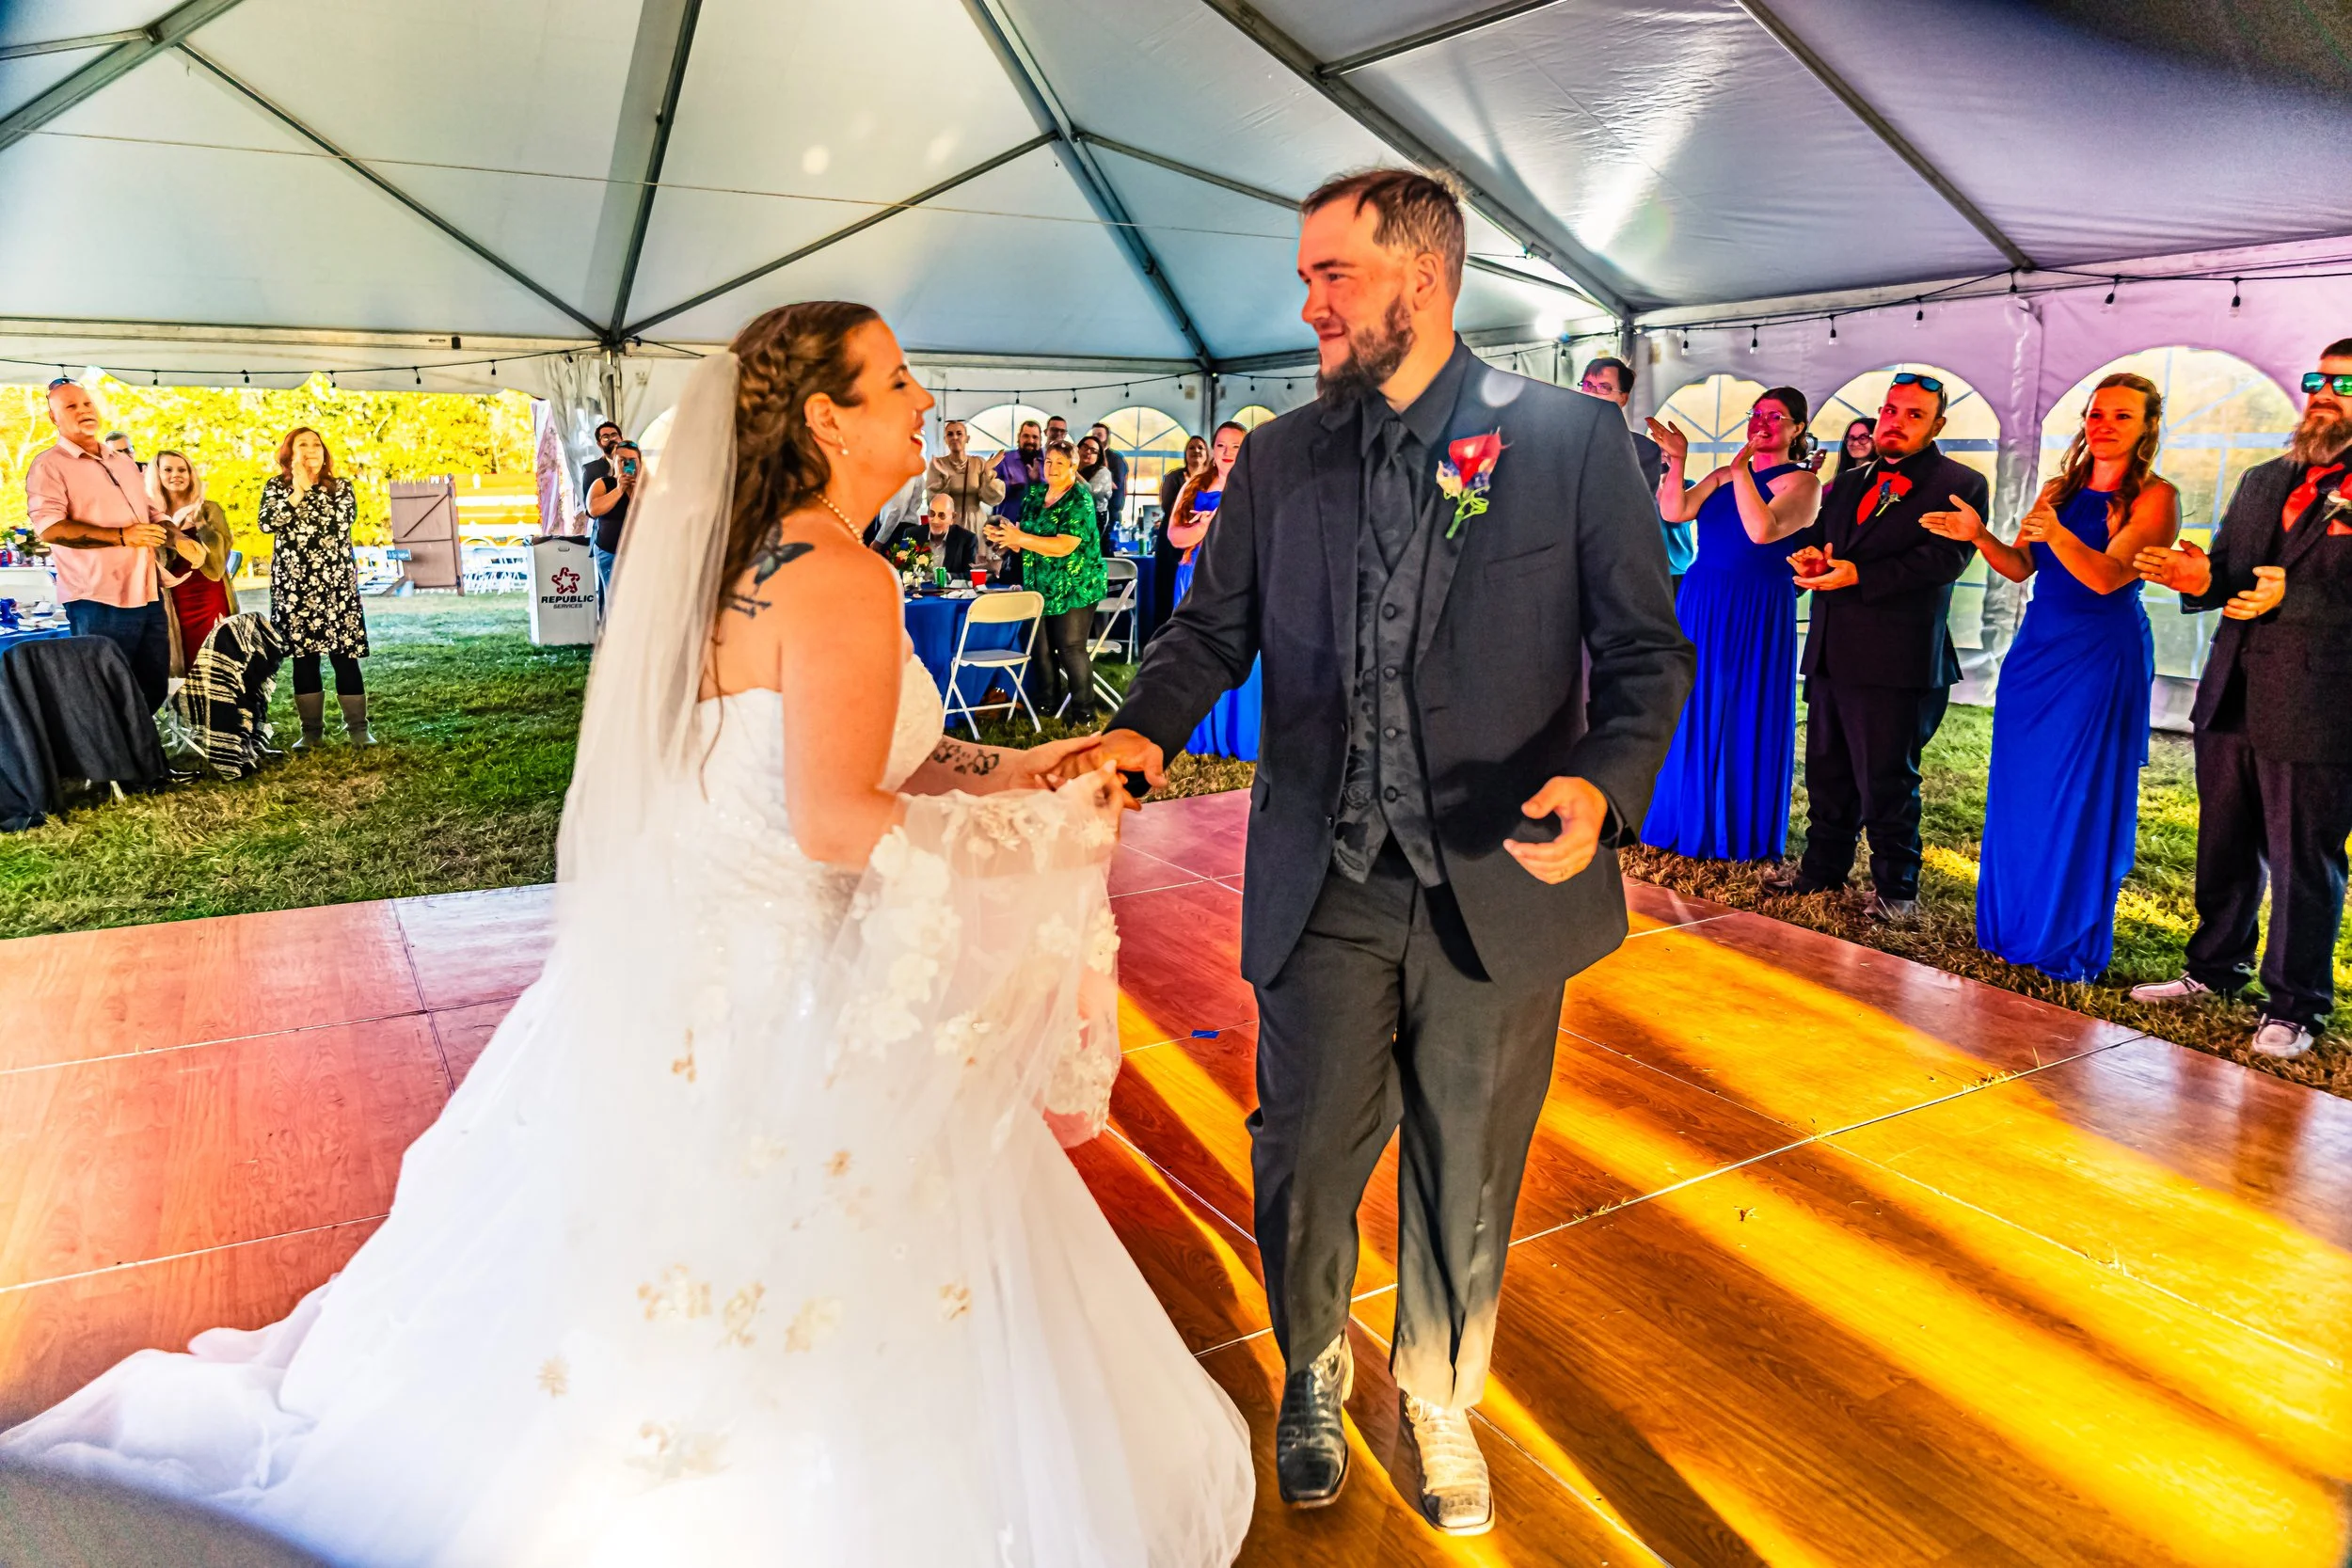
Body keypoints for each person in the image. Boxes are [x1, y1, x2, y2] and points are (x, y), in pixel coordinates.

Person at [1, 301, 1255, 1565]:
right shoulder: (843, 575)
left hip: (691, 976)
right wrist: (1046, 837)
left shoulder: (750, 557)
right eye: (899, 378)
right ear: (827, 417)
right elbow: (834, 822)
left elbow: (854, 753)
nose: (925, 398)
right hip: (789, 993)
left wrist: (1014, 769)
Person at [1058, 168, 1690, 1534]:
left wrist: (1601, 783)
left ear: (1423, 277)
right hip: (1326, 878)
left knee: (1471, 1160)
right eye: (1307, 276)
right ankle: (1311, 1370)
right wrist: (1140, 734)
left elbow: (1647, 652)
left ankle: (1442, 1391)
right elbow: (1207, 629)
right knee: (1302, 1157)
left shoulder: (1577, 446)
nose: (1308, 303)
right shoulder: (1282, 456)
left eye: (1332, 273)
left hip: (1502, 887)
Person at [2128, 339, 2352, 1059]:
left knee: (2302, 858)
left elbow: (2305, 587)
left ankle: (2296, 1005)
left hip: (2322, 703)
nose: (2324, 392)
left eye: (2344, 384)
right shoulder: (2262, 478)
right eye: (2317, 378)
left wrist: (2306, 594)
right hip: (2232, 689)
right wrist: (2197, 577)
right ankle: (2213, 968)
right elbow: (2228, 572)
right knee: (2222, 840)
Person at [1919, 375, 2176, 982]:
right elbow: (2019, 567)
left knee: (2076, 789)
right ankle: (2013, 921)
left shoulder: (2155, 498)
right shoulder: (2062, 487)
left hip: (2098, 652)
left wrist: (2057, 530)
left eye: (2121, 416)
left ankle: (2064, 931)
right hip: (2039, 647)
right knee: (2022, 784)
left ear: (2146, 428)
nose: (2103, 424)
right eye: (2095, 413)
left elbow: (2109, 577)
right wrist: (1980, 536)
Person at [1763, 373, 1985, 922]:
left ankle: (1897, 888)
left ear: (1937, 425)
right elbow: (1822, 543)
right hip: (1833, 648)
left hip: (1898, 659)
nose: (1896, 421)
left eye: (1914, 414)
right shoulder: (1850, 481)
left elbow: (1942, 562)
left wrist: (1857, 575)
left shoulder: (1960, 483)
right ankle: (1821, 870)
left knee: (1887, 777)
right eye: (1890, 410)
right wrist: (1811, 563)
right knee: (1827, 771)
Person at [1639, 388, 1821, 860]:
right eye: (1756, 415)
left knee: (1741, 704)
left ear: (1797, 428)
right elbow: (1674, 511)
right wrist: (1677, 461)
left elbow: (1763, 531)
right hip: (1703, 595)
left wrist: (1741, 473)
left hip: (1757, 604)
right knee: (1691, 701)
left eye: (1775, 417)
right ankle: (1681, 813)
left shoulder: (1803, 485)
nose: (1762, 423)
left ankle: (1734, 827)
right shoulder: (1723, 475)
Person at [24, 381, 175, 712]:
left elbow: (150, 512)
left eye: (87, 403)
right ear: (53, 418)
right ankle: (109, 763)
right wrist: (122, 536)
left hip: (148, 591)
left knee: (151, 686)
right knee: (104, 692)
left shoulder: (122, 461)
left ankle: (144, 760)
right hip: (96, 597)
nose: (83, 411)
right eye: (71, 407)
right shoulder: (48, 465)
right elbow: (51, 528)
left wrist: (175, 534)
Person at [259, 426, 373, 748]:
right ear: (289, 453)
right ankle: (311, 733)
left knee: (344, 656)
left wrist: (311, 491)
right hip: (293, 587)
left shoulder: (341, 487)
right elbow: (268, 522)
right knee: (304, 658)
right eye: (302, 445)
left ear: (324, 452)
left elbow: (338, 524)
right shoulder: (275, 487)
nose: (311, 449)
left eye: (316, 444)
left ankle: (358, 730)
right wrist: (297, 490)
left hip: (335, 587)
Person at [986, 438, 1106, 724]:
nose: (1051, 468)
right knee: (1039, 648)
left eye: (1060, 463)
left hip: (1075, 585)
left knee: (1070, 647)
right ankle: (1046, 704)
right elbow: (1025, 539)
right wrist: (1005, 539)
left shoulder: (1080, 499)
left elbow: (1064, 545)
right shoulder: (1034, 494)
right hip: (1038, 585)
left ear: (1073, 466)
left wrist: (1021, 538)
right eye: (1048, 461)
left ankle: (1083, 711)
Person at [1168, 422, 1260, 759]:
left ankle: (1241, 734)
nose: (1227, 453)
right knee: (1194, 652)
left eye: (1236, 446)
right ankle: (1201, 734)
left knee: (1239, 651)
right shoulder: (1194, 485)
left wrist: (1206, 526)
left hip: (1238, 578)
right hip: (1193, 576)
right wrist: (1207, 525)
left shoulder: (1255, 485)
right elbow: (1176, 537)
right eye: (1221, 446)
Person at [1581, 355, 1691, 587]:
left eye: (1604, 388)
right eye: (1588, 385)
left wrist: (1675, 463)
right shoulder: (1558, 441)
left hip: (1619, 566)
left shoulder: (1644, 450)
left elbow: (1642, 514)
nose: (1592, 393)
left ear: (1623, 398)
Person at [148, 449, 241, 667]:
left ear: (191, 475)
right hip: (173, 596)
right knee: (183, 656)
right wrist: (171, 535)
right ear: (157, 475)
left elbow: (219, 562)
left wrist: (200, 524)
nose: (176, 475)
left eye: (182, 470)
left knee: (217, 655)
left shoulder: (209, 509)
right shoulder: (150, 514)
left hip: (208, 591)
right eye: (168, 470)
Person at [1152, 434, 1208, 636]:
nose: (1196, 451)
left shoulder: (1213, 478)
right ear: (1186, 453)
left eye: (1200, 447)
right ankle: (1163, 635)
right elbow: (1168, 506)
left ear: (1207, 453)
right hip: (1172, 539)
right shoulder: (1175, 477)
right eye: (1192, 448)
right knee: (1167, 586)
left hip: (1201, 542)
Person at [923, 417, 1007, 544]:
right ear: (945, 439)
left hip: (976, 522)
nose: (955, 437)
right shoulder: (937, 464)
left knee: (975, 560)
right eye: (950, 434)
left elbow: (992, 499)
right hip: (949, 523)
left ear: (967, 438)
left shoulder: (978, 463)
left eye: (959, 433)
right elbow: (932, 500)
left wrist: (988, 472)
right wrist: (945, 480)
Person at [585, 438, 640, 603]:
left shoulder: (647, 485)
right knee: (614, 600)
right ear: (614, 462)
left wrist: (636, 491)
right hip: (609, 551)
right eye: (622, 460)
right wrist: (619, 490)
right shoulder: (603, 483)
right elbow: (593, 510)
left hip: (638, 552)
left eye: (632, 461)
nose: (627, 465)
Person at [876, 489, 977, 578]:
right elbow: (899, 567)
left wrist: (944, 577)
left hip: (949, 595)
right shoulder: (911, 534)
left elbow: (969, 574)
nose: (935, 520)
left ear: (953, 518)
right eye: (932, 514)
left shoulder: (967, 539)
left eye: (941, 515)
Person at [1089, 420, 1129, 536]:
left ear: (1107, 438)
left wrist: (1097, 476)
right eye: (1094, 435)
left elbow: (1117, 484)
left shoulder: (1116, 459)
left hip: (1110, 512)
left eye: (1099, 435)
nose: (1095, 438)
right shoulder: (1092, 457)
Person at [1076, 434, 1117, 534]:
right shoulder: (1070, 469)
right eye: (1085, 447)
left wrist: (1075, 474)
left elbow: (1092, 494)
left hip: (1095, 520)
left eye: (1093, 450)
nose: (1088, 452)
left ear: (1098, 457)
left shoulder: (1103, 472)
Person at [1829, 417, 1875, 481]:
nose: (1855, 443)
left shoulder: (1883, 479)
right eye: (1851, 438)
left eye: (1863, 438)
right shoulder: (1842, 478)